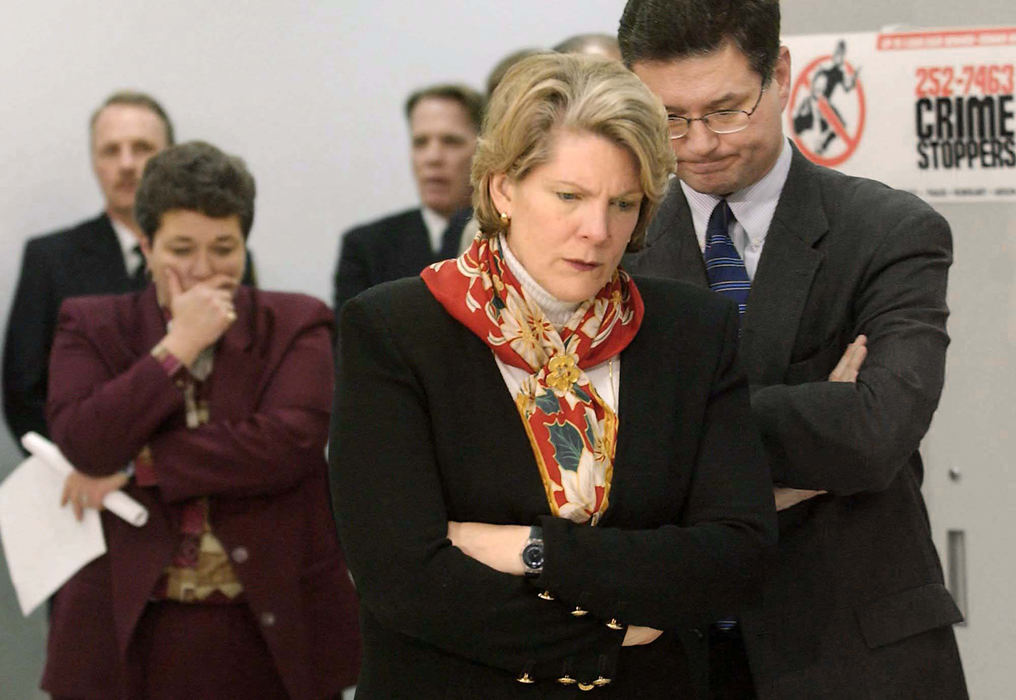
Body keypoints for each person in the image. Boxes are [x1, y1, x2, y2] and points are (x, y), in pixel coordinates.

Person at [330, 53, 776, 697]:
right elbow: (402, 579)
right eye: (569, 196)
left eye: (623, 204)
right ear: (502, 188)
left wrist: (534, 551)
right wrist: (613, 635)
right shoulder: (395, 329)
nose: (597, 231)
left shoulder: (691, 332)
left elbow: (737, 556)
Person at [617, 0, 967, 697]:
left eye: (725, 110)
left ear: (779, 73)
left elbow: (873, 433)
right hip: (668, 658)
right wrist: (812, 434)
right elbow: (590, 455)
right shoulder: (613, 246)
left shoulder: (887, 231)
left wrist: (672, 437)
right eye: (669, 119)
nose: (698, 143)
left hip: (854, 653)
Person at [43, 141, 360, 699]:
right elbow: (86, 442)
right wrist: (178, 347)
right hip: (134, 618)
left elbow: (291, 441)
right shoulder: (92, 323)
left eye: (224, 248)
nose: (204, 270)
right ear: (145, 244)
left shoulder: (295, 322)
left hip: (265, 618)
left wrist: (143, 463)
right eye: (181, 249)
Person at [2, 91, 254, 449]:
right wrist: (77, 465)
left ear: (171, 158)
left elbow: (243, 375)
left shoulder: (222, 258)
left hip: (200, 472)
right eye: (110, 150)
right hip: (84, 481)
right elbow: (23, 391)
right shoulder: (50, 258)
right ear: (93, 161)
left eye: (142, 148)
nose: (126, 164)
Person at [332, 83, 483, 311]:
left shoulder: (508, 240)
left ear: (485, 150)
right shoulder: (366, 247)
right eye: (420, 142)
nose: (432, 158)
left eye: (451, 141)